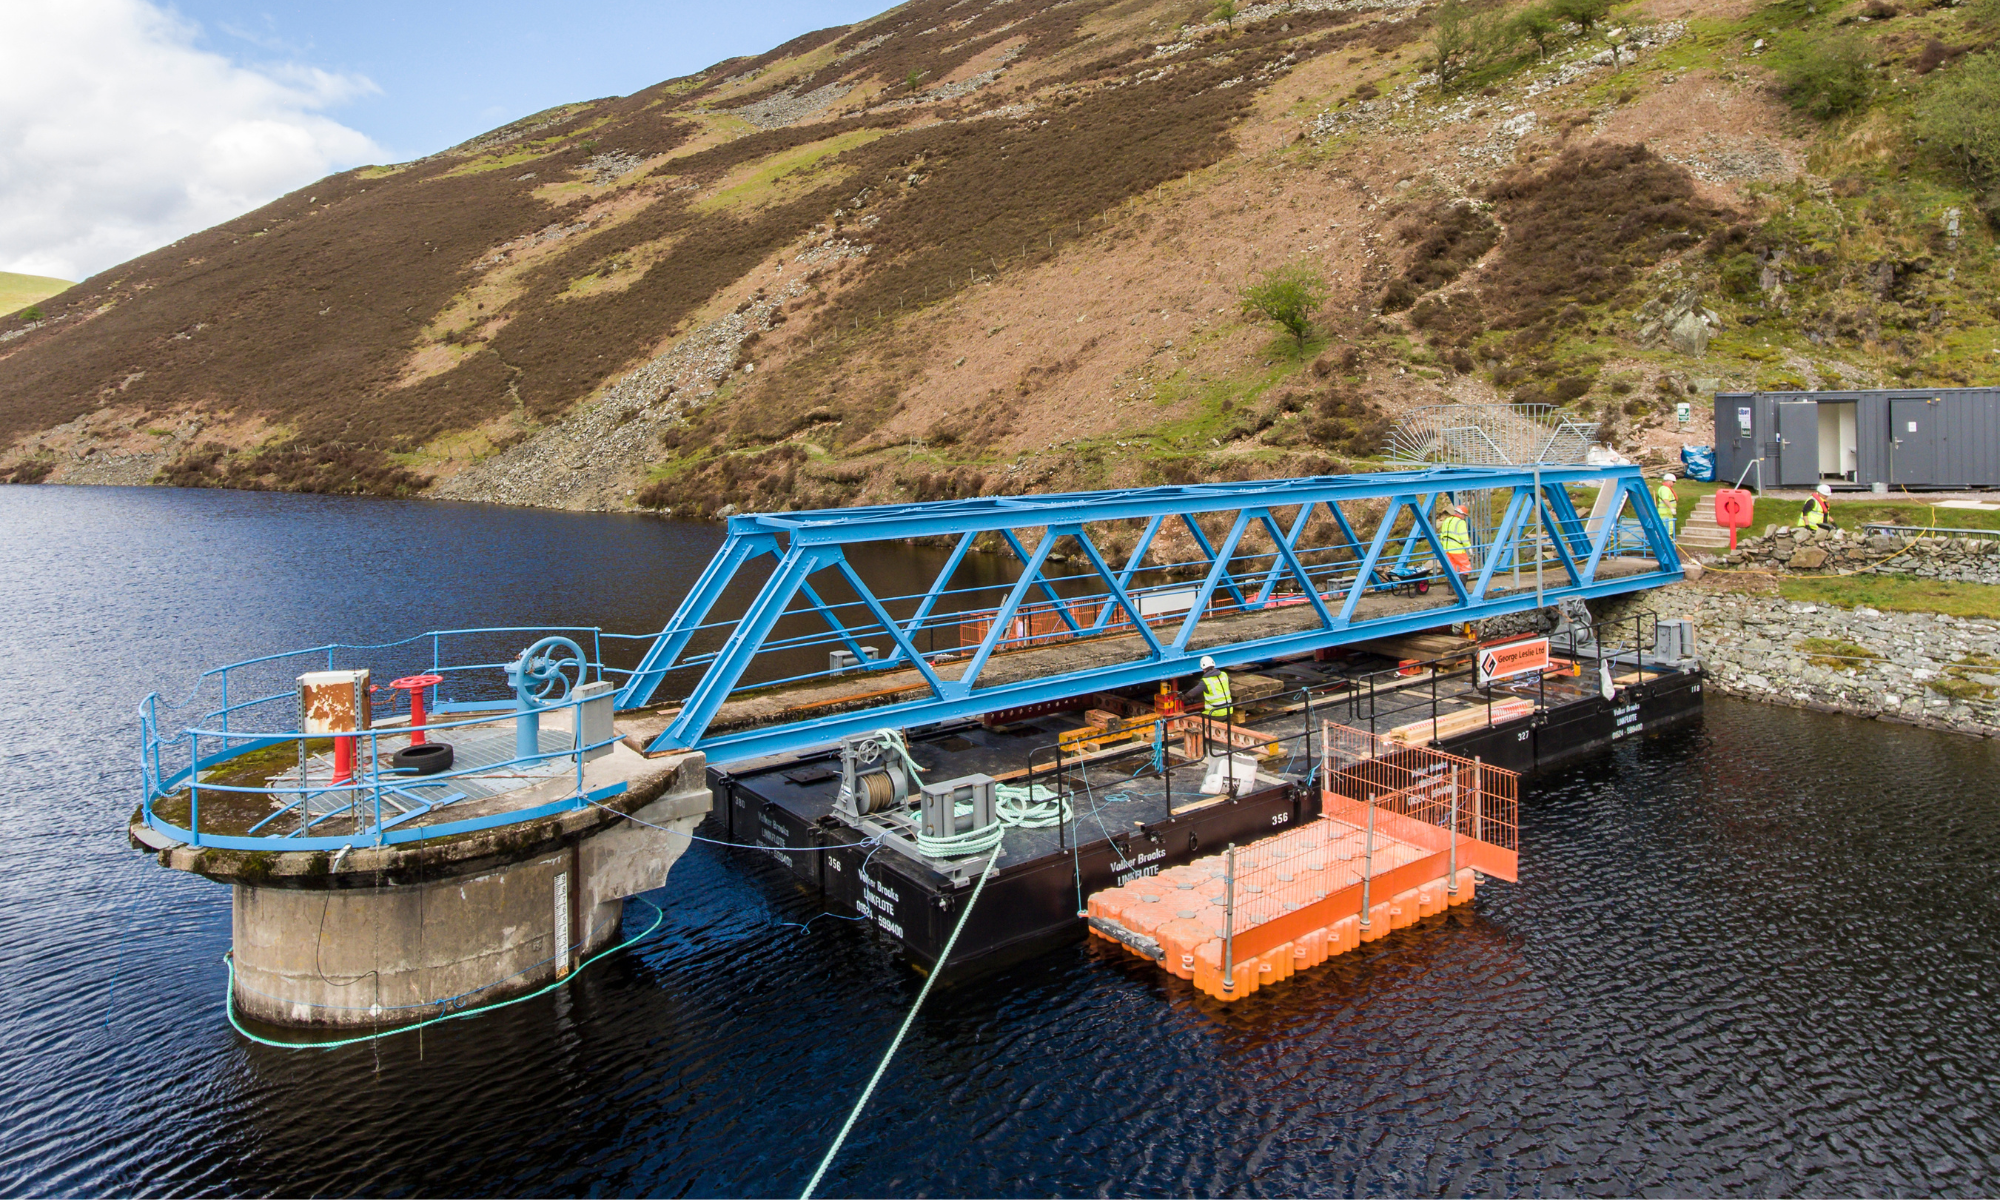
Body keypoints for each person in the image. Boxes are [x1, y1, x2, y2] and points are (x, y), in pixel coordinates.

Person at [1180, 655, 1234, 722]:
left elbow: (1192, 694)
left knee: (1197, 719)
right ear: (1213, 665)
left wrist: (1182, 698)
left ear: (1203, 668)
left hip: (1215, 713)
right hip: (1229, 711)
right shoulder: (1224, 675)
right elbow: (1230, 681)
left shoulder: (1206, 681)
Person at [1437, 500, 1472, 576]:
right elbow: (1464, 537)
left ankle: (1451, 587)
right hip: (1457, 549)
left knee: (1452, 569)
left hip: (1447, 549)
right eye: (1465, 515)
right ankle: (1462, 587)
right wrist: (1469, 548)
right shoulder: (1460, 522)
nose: (1464, 517)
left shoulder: (1447, 520)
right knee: (1466, 567)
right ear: (1462, 514)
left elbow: (1442, 535)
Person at [1656, 473, 1679, 537]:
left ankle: (1664, 543)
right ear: (1669, 481)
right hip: (1665, 513)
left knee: (1666, 529)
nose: (1674, 483)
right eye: (1673, 482)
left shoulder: (1664, 488)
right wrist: (1671, 508)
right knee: (1666, 530)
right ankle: (1665, 544)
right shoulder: (1665, 489)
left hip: (1667, 513)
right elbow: (1665, 499)